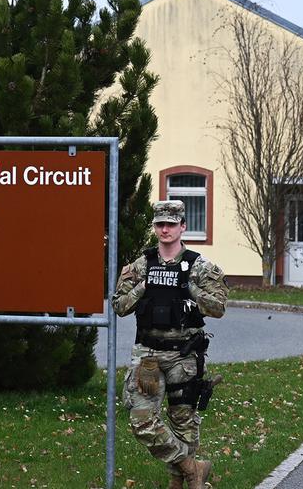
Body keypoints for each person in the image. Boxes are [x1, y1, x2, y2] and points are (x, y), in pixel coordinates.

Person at [112, 200, 228, 489]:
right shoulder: (141, 265)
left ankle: (180, 482)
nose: (165, 229)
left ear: (182, 227)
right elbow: (119, 305)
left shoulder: (199, 266)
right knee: (141, 420)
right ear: (154, 228)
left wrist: (188, 285)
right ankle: (193, 469)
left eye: (171, 224)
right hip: (148, 356)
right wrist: (144, 285)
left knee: (183, 422)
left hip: (183, 356)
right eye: (160, 224)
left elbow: (219, 307)